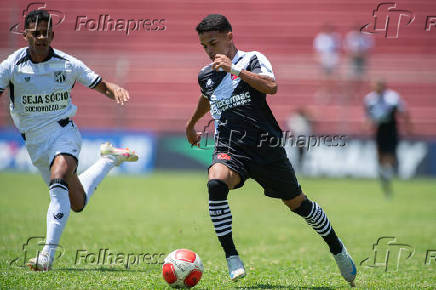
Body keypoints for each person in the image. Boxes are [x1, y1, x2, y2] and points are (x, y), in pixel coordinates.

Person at [186, 14, 356, 286]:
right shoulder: (205, 74)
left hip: (266, 147)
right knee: (216, 182)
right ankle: (231, 256)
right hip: (231, 147)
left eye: (213, 42)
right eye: (204, 46)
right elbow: (207, 97)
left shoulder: (253, 59)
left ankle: (337, 249)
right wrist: (192, 122)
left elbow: (271, 86)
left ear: (229, 35)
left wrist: (235, 70)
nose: (209, 50)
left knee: (297, 203)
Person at [0, 10, 138, 271]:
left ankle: (46, 257)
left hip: (63, 132)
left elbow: (99, 84)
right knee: (77, 203)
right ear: (26, 34)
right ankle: (109, 159)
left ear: (52, 34)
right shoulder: (11, 66)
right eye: (35, 32)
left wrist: (115, 89)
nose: (41, 37)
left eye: (46, 32)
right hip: (34, 143)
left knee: (59, 176)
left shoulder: (68, 64)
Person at [364, 80, 412, 197]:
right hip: (380, 130)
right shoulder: (370, 99)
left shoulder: (392, 98)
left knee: (389, 156)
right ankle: (385, 176)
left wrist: (408, 125)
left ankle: (387, 176)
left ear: (383, 87)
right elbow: (369, 114)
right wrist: (367, 123)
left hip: (391, 129)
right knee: (380, 158)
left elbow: (403, 112)